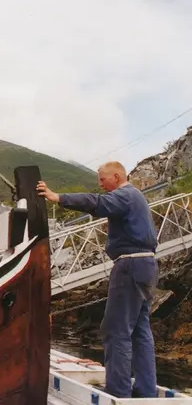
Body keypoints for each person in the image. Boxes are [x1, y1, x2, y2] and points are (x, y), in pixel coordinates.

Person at [37, 161, 158, 398]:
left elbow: (97, 203)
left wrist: (57, 197)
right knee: (140, 330)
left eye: (102, 179)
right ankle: (145, 391)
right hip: (148, 265)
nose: (100, 184)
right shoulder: (136, 198)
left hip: (130, 265)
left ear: (116, 176)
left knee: (116, 330)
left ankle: (119, 393)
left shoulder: (125, 195)